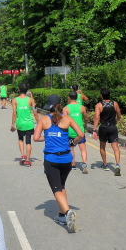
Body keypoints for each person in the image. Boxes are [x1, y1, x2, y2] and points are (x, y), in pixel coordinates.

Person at [33, 94, 84, 232]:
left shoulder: (44, 119)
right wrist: (72, 142)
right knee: (61, 186)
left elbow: (36, 138)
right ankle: (62, 216)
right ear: (59, 105)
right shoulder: (67, 119)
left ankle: (67, 212)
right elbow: (80, 135)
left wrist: (48, 136)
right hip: (67, 159)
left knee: (56, 189)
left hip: (51, 160)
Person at [92, 88, 122, 175]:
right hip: (113, 127)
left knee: (102, 146)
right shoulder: (115, 104)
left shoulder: (99, 105)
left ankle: (105, 164)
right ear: (110, 95)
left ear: (101, 96)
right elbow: (119, 115)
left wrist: (94, 129)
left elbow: (97, 117)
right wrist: (116, 121)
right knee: (115, 147)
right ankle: (117, 164)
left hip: (103, 127)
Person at [11, 83, 37, 167]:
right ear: (27, 90)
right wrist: (39, 122)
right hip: (29, 124)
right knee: (28, 141)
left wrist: (12, 124)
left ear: (19, 90)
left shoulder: (15, 100)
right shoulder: (30, 100)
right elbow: (35, 111)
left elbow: (14, 113)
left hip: (20, 123)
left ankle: (23, 155)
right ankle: (28, 160)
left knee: (20, 139)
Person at [63, 90, 89, 174]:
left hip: (70, 131)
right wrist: (85, 125)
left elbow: (64, 121)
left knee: (71, 147)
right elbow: (86, 118)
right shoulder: (82, 107)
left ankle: (73, 163)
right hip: (80, 131)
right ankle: (84, 163)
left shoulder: (66, 108)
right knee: (83, 148)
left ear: (69, 98)